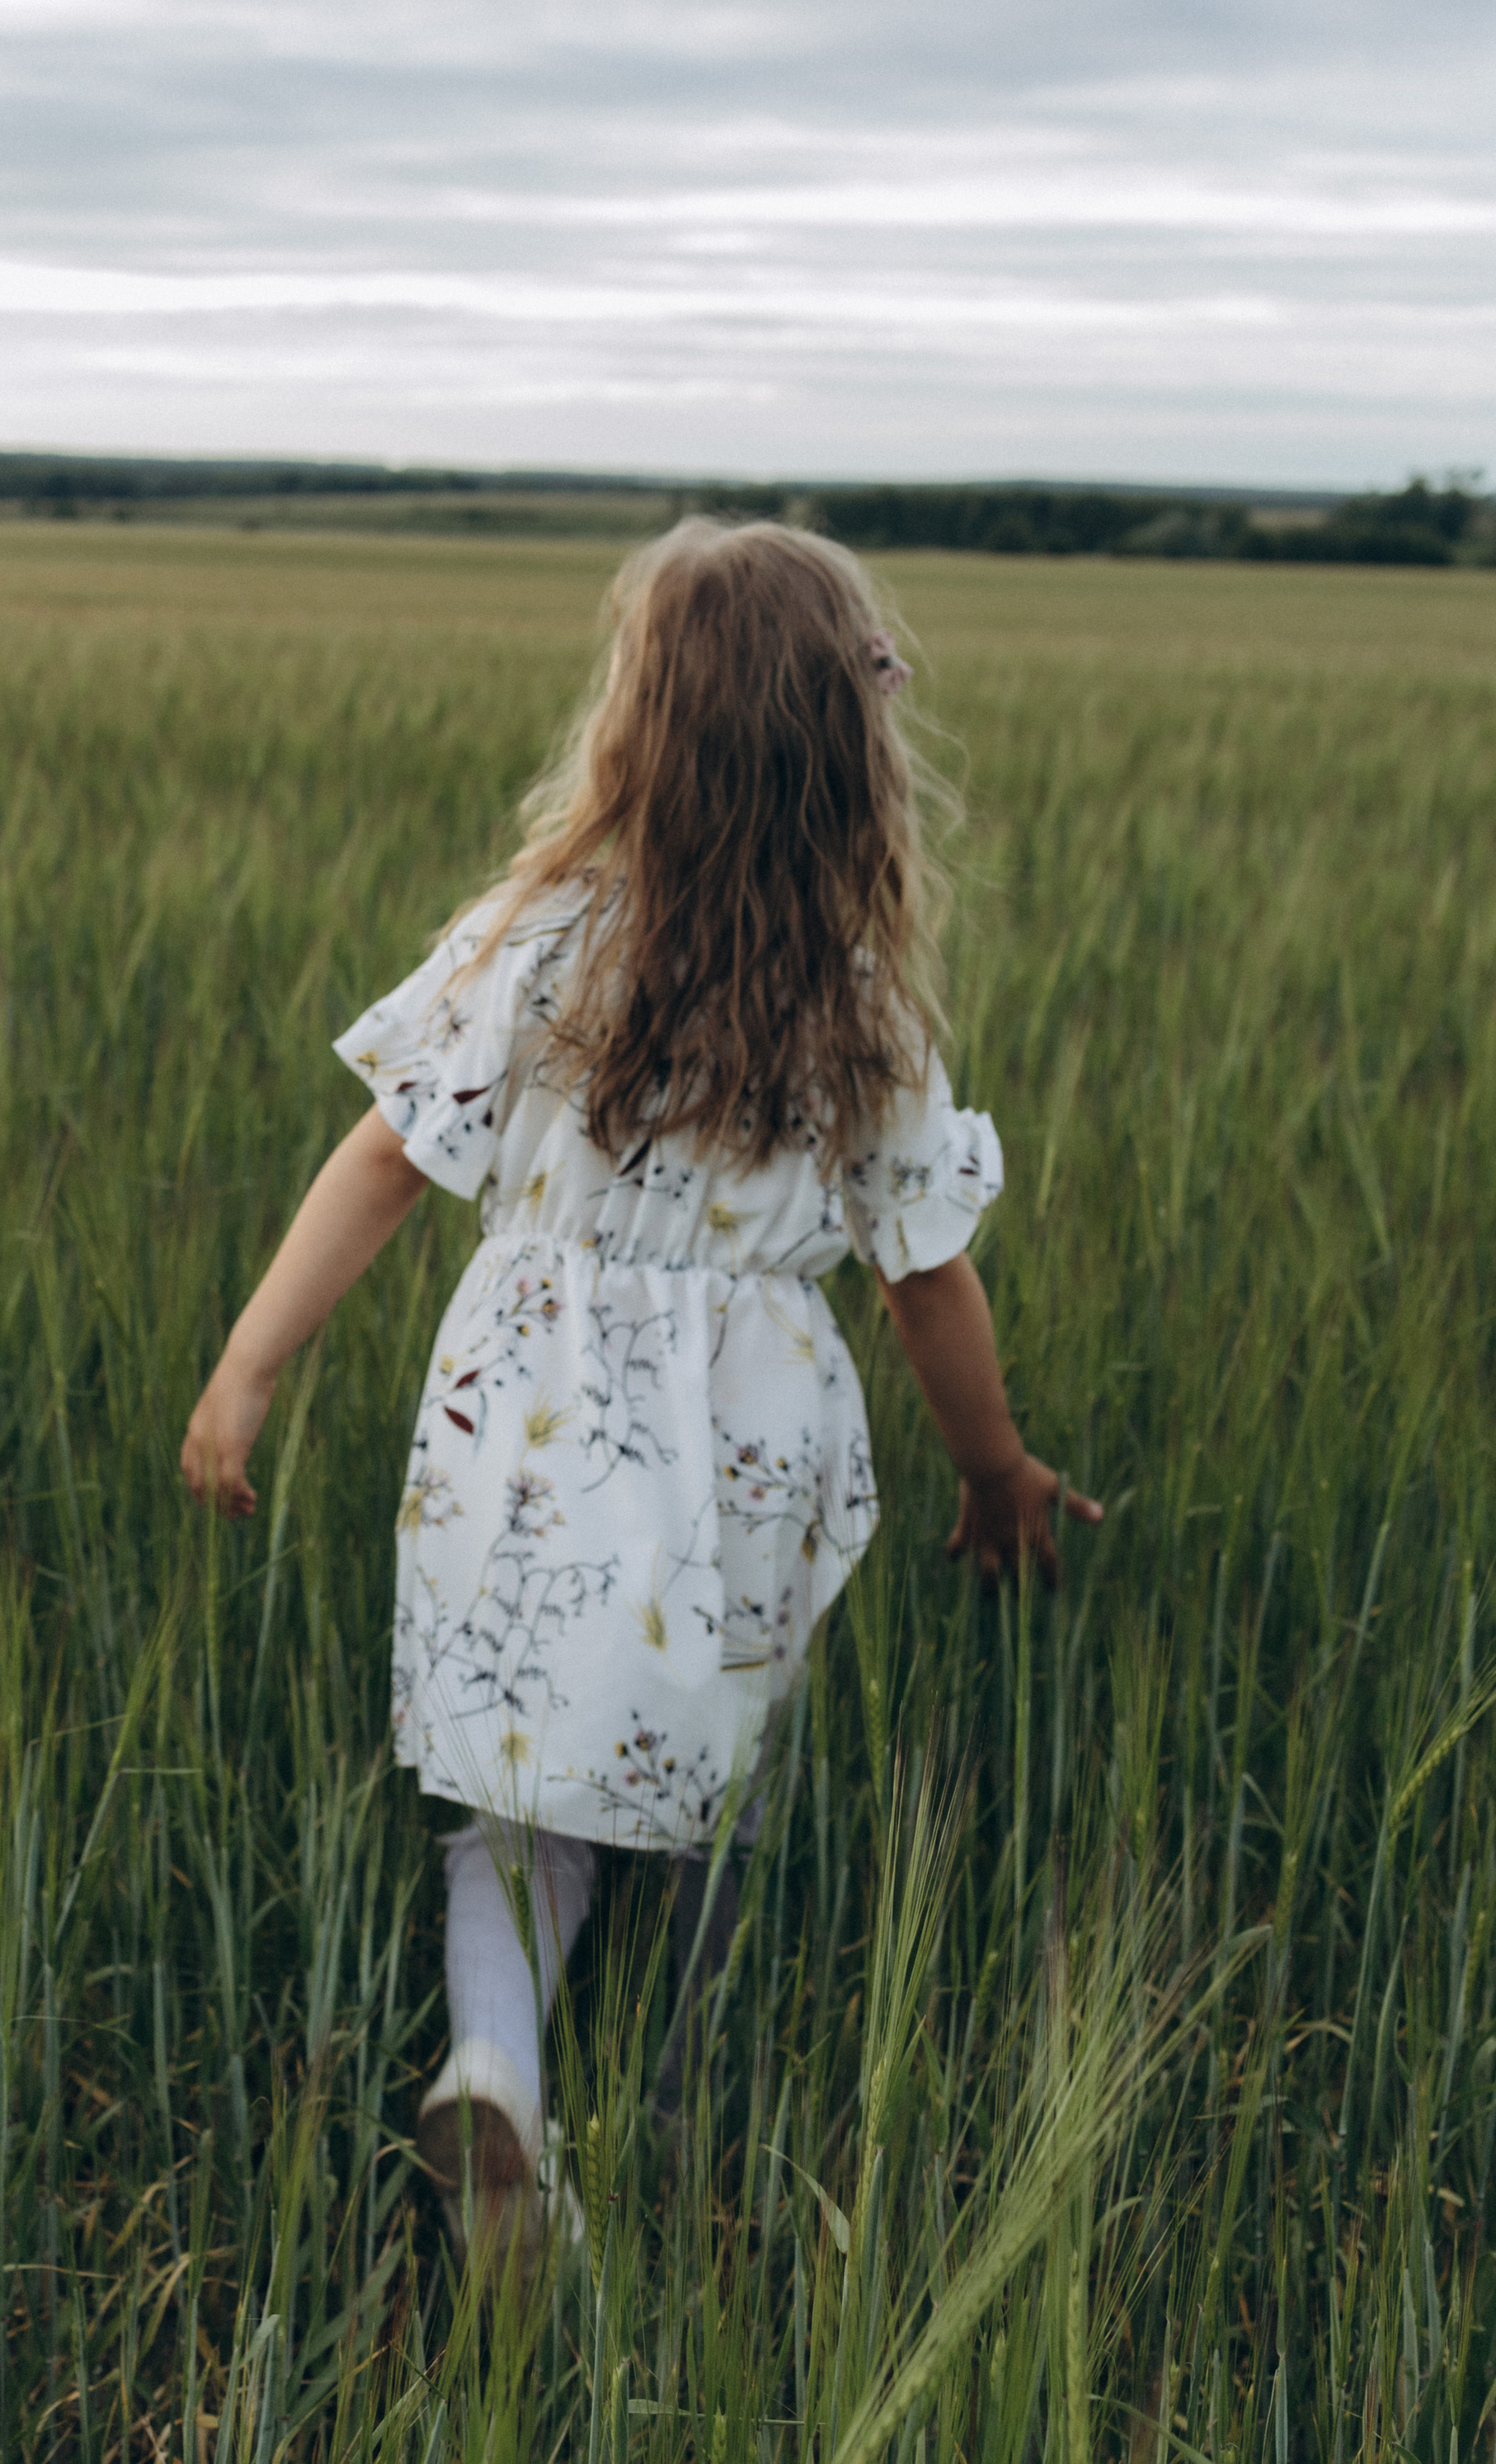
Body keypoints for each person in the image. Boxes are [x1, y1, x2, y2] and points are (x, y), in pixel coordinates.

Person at [180, 518, 1099, 2259]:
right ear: (848, 743)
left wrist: (247, 1368)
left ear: (638, 722)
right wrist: (993, 1468)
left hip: (520, 1425)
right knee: (712, 1793)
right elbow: (923, 1278)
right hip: (746, 1447)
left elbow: (384, 1164)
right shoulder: (858, 997)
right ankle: (674, 2106)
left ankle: (498, 2068)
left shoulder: (539, 937)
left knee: (511, 1805)